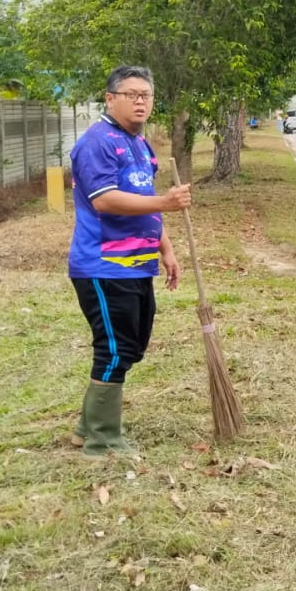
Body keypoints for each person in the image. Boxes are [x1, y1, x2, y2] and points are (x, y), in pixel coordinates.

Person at [67, 66, 187, 457]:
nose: (140, 101)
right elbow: (105, 200)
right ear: (110, 98)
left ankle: (86, 427)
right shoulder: (96, 143)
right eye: (131, 94)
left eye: (146, 95)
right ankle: (102, 440)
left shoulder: (140, 143)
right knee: (114, 347)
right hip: (104, 265)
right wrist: (166, 202)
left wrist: (165, 247)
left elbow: (144, 199)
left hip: (138, 263)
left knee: (131, 346)